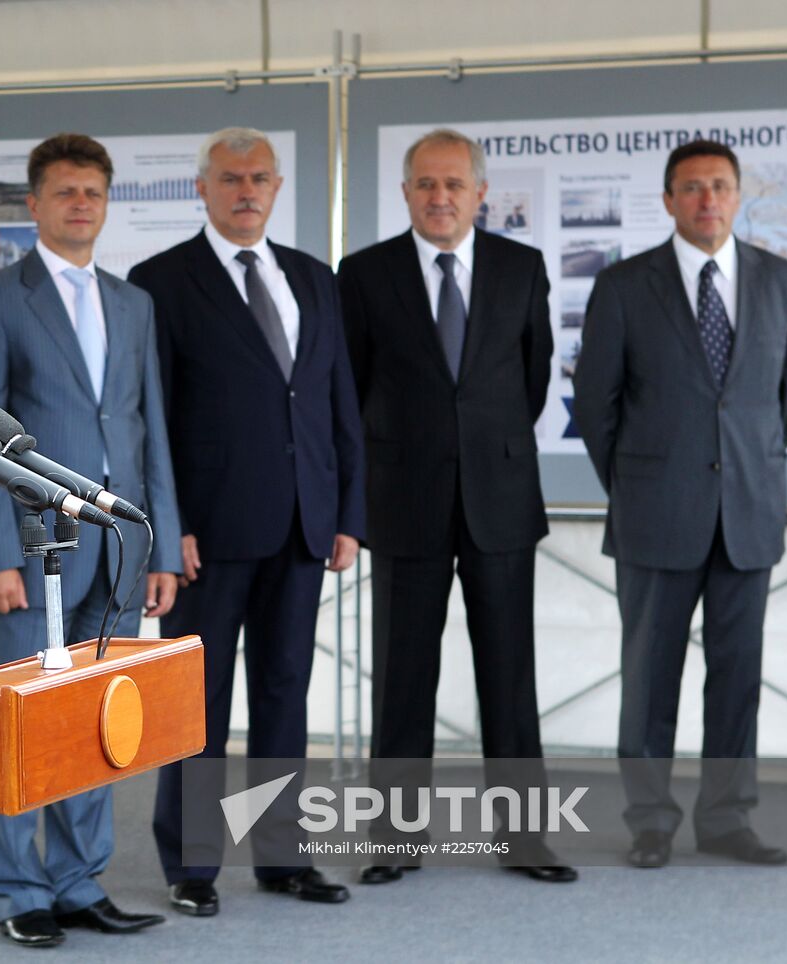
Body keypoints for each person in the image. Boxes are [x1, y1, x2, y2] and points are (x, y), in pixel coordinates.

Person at [0, 133, 181, 949]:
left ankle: (80, 883)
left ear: (106, 202)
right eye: (65, 192)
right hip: (30, 551)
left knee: (98, 721)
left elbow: (148, 427)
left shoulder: (133, 303)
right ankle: (17, 889)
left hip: (117, 548)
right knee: (16, 719)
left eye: (93, 192)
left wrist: (161, 543)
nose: (81, 204)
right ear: (37, 204)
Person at [128, 127, 364, 917]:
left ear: (277, 185)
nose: (246, 190)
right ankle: (192, 865)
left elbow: (337, 407)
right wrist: (170, 524)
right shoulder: (160, 280)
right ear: (202, 187)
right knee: (198, 708)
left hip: (304, 524)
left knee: (285, 696)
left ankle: (282, 858)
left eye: (260, 176)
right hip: (208, 533)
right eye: (230, 177)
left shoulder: (311, 277)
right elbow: (151, 418)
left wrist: (347, 514)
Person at [337, 128, 573, 886]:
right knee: (404, 678)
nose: (440, 197)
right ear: (405, 193)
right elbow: (355, 385)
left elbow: (530, 379)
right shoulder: (365, 273)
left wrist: (482, 444)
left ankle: (524, 839)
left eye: (454, 185)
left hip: (500, 499)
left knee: (510, 676)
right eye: (425, 184)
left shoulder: (520, 267)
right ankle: (396, 839)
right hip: (403, 501)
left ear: (479, 193)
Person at [573, 139, 787, 869]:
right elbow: (595, 404)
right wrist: (641, 484)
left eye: (720, 186)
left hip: (747, 514)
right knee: (649, 680)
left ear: (738, 196)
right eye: (692, 188)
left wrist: (739, 472)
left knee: (737, 679)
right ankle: (650, 819)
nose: (708, 200)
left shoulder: (784, 282)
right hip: (653, 514)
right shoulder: (622, 285)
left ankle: (727, 819)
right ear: (670, 200)